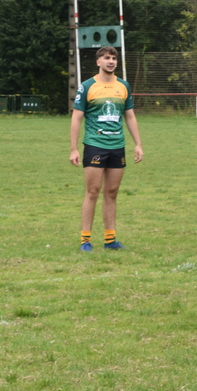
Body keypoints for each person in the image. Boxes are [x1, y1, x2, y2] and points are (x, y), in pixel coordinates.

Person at [70, 46, 144, 252]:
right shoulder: (87, 86)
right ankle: (85, 240)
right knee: (92, 192)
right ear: (98, 62)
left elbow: (130, 116)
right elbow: (76, 118)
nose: (111, 61)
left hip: (117, 146)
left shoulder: (123, 86)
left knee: (112, 192)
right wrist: (73, 148)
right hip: (95, 145)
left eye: (113, 58)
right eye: (106, 58)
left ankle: (110, 240)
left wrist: (138, 144)